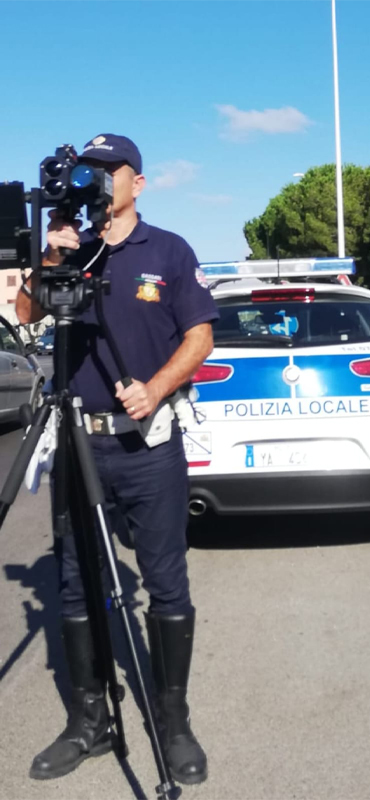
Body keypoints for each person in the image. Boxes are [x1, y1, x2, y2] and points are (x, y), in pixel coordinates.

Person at [17, 134, 217, 784]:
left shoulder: (167, 251)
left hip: (148, 445)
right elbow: (25, 313)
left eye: (110, 172)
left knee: (164, 582)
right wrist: (53, 254)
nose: (98, 181)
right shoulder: (71, 246)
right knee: (74, 586)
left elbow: (200, 335)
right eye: (88, 172)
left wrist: (156, 389)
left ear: (138, 182)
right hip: (79, 441)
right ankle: (90, 722)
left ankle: (174, 722)